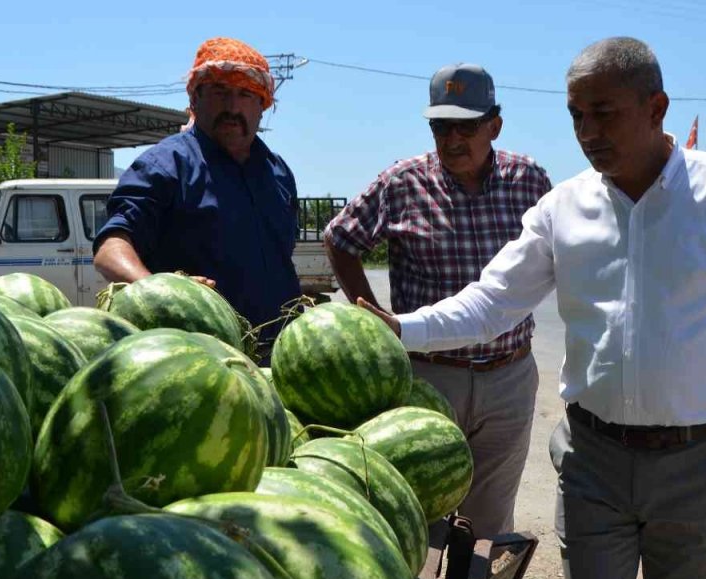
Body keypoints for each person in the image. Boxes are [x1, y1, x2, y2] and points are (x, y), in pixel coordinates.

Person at [357, 37, 706, 579]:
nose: (587, 130)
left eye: (605, 113)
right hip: (592, 463)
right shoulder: (562, 209)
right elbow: (493, 301)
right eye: (576, 114)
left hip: (699, 465)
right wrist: (404, 329)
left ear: (656, 107)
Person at [323, 63, 551, 538]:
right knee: (416, 515)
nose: (452, 141)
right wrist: (371, 317)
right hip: (428, 378)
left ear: (495, 125)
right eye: (440, 128)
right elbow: (340, 239)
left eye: (466, 127)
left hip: (507, 378)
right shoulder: (402, 183)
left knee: (487, 526)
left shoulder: (529, 181)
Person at [93, 37, 301, 343]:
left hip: (282, 353)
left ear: (262, 105)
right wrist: (164, 293)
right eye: (220, 92)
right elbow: (110, 249)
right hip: (195, 354)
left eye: (245, 94)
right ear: (195, 98)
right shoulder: (165, 166)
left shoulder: (277, 172)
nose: (232, 106)